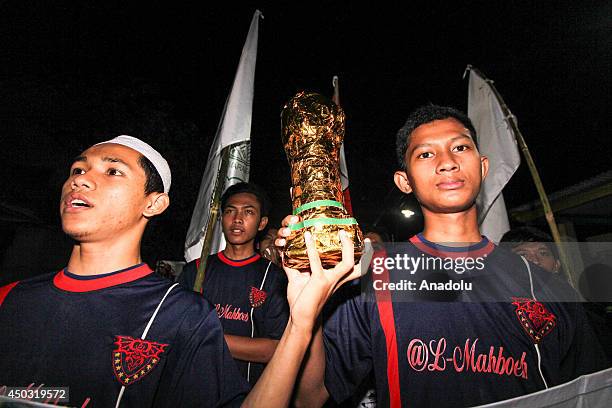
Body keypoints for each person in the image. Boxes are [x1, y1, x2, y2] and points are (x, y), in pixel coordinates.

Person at [279, 105, 608, 407]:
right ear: (404, 181)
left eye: (461, 147)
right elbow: (309, 398)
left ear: (483, 166)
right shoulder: (372, 277)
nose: (447, 161)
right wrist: (313, 305)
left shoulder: (542, 283)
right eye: (425, 154)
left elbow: (593, 393)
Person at [0, 136, 358, 408]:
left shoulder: (180, 312)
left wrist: (301, 323)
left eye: (112, 171)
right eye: (78, 169)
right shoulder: (10, 298)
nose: (80, 180)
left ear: (154, 203)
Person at [178, 182, 289, 385]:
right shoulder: (195, 271)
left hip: (245, 392)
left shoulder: (274, 277)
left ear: (262, 223)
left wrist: (205, 338)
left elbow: (276, 348)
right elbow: (176, 332)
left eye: (248, 212)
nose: (237, 219)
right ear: (221, 219)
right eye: (230, 211)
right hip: (193, 387)